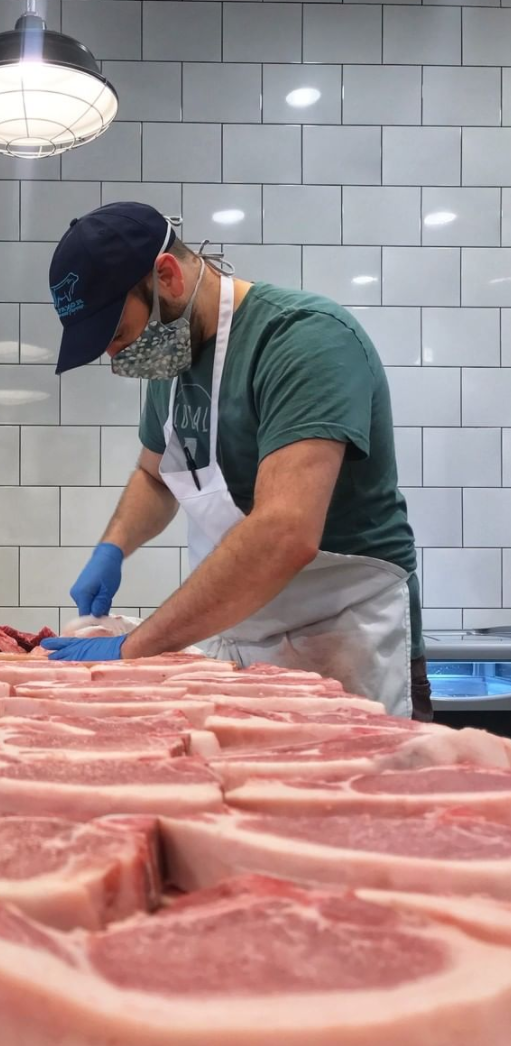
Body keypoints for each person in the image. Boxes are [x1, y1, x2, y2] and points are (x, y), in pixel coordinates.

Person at [40, 201, 430, 720]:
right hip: (244, 643)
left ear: (167, 276)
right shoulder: (173, 367)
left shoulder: (303, 340)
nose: (116, 355)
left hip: (346, 643)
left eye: (117, 332)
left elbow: (283, 532)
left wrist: (134, 647)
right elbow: (155, 476)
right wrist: (112, 548)